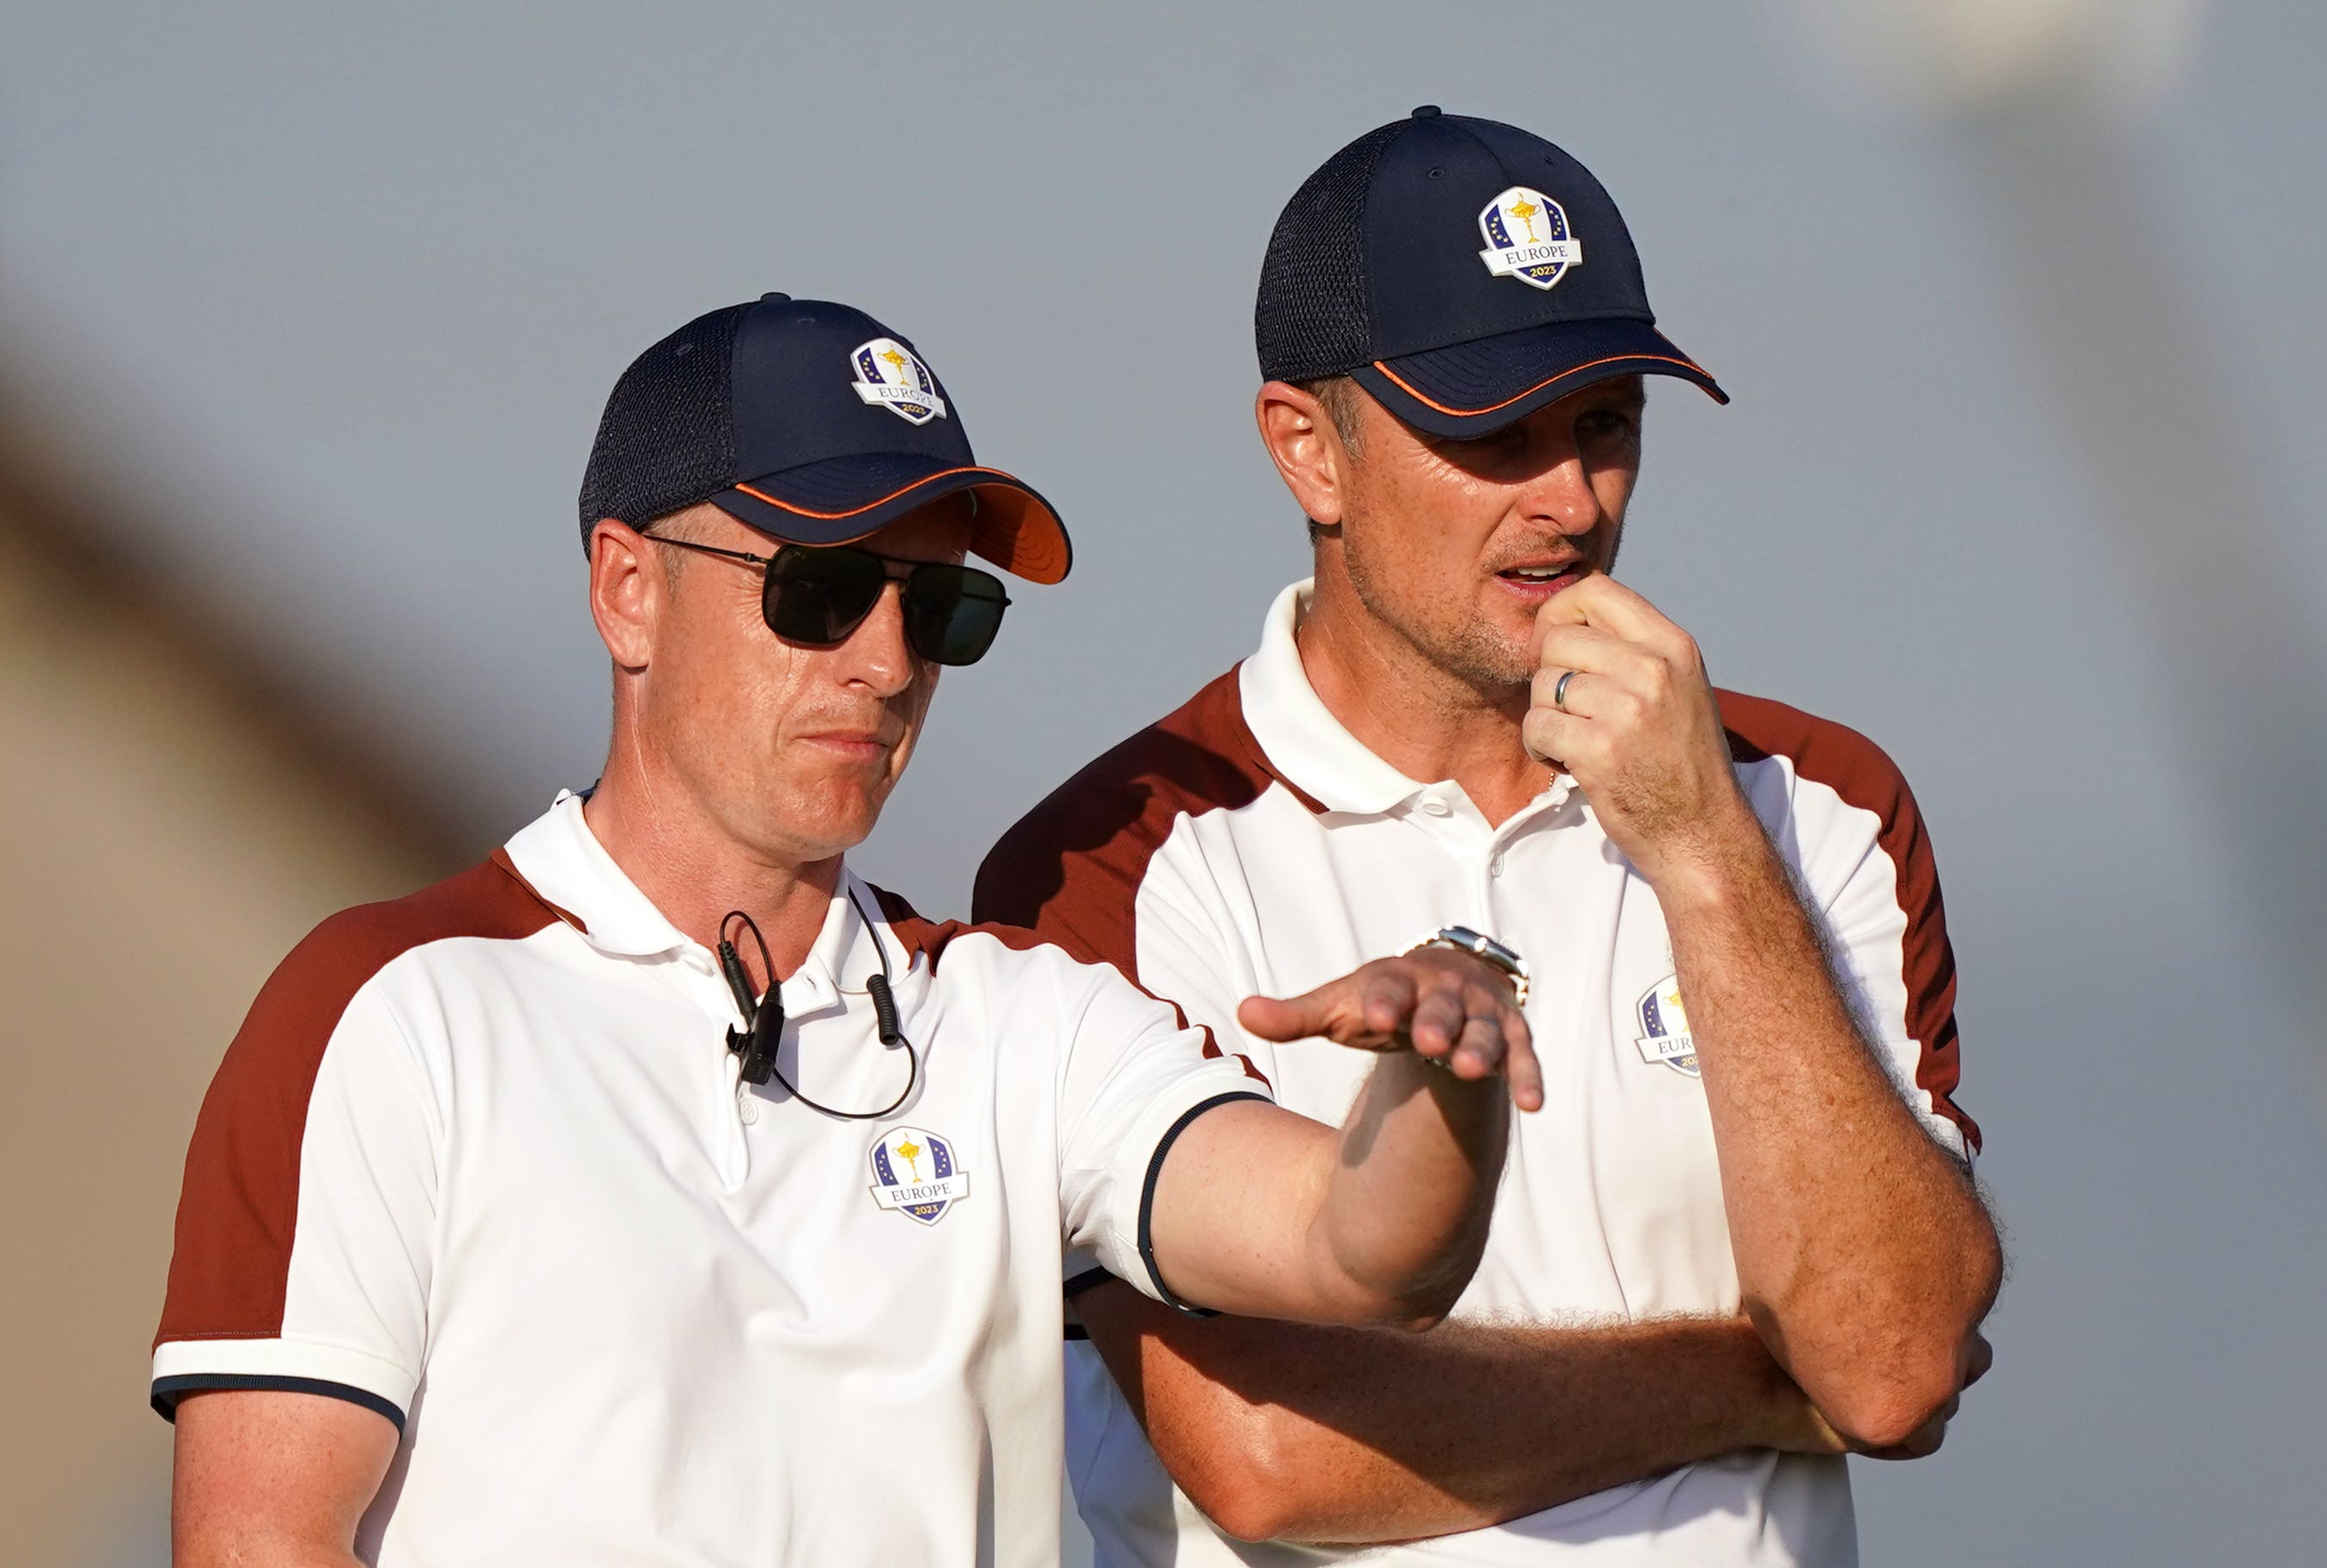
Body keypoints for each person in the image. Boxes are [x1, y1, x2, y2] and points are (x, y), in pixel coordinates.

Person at [150, 294, 1547, 1567]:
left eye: (940, 608)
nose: (885, 664)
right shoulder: (395, 1008)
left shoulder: (1020, 1020)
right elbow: (256, 1546)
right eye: (816, 591)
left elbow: (1360, 1248)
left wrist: (1448, 1073)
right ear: (626, 588)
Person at [976, 109, 2003, 1566]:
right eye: (1492, 433)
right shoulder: (1115, 859)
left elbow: (1890, 1365)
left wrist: (1706, 851)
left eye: (1605, 424)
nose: (1572, 501)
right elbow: (1270, 1456)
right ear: (1306, 451)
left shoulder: (1813, 802)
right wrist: (1763, 1379)